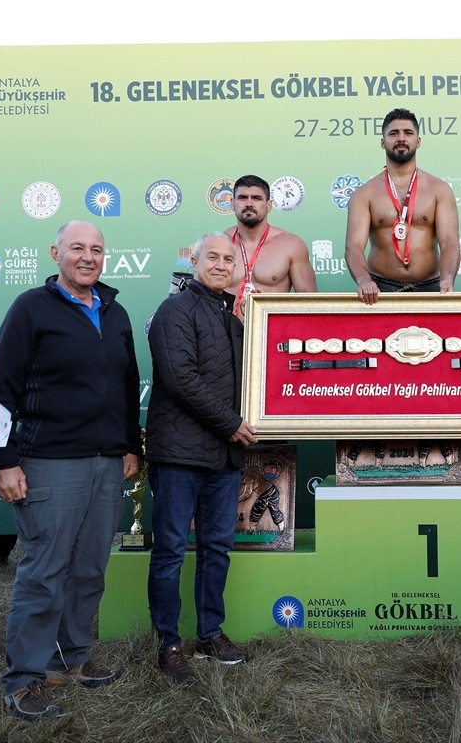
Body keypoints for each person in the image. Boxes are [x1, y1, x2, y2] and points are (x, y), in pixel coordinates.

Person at [0, 220, 143, 721]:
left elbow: (126, 387)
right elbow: (1, 389)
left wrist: (130, 448)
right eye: (77, 248)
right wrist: (3, 459)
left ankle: (69, 659)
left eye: (96, 249)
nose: (88, 257)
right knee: (44, 572)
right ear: (56, 253)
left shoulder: (114, 313)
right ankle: (24, 679)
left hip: (106, 462)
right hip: (48, 460)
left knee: (90, 568)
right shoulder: (31, 308)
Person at [146, 232, 258, 686]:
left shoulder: (235, 319)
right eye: (211, 256)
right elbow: (180, 379)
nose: (220, 263)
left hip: (223, 455)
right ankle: (168, 643)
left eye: (228, 258)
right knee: (171, 550)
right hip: (179, 452)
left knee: (217, 548)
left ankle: (209, 634)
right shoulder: (174, 311)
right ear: (193, 262)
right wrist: (231, 424)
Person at [345, 108, 459, 304]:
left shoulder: (439, 190)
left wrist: (448, 279)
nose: (401, 138)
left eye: (408, 133)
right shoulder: (365, 194)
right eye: (393, 133)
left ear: (418, 141)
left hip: (431, 288)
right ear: (383, 142)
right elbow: (353, 246)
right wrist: (364, 281)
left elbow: (449, 241)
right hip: (378, 290)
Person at [223, 173, 316, 316]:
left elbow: (310, 303)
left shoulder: (290, 245)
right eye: (242, 198)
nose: (249, 203)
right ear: (232, 203)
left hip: (272, 332)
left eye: (256, 198)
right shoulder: (219, 244)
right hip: (223, 333)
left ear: (268, 205)